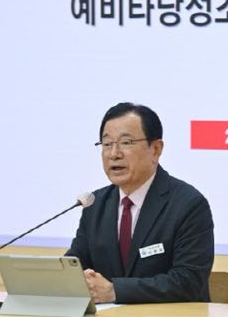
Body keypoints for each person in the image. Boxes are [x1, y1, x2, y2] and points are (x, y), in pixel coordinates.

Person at [66, 102, 214, 304]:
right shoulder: (95, 204)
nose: (114, 153)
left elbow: (188, 282)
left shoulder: (188, 204)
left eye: (126, 143)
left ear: (156, 149)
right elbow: (74, 264)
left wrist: (114, 291)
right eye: (107, 144)